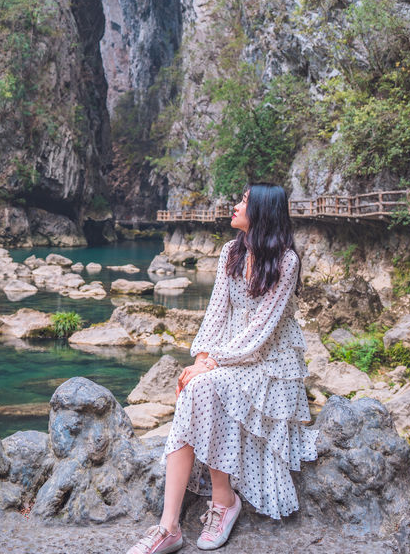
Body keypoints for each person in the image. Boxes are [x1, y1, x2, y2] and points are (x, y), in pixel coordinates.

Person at [126, 182, 318, 554]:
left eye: (243, 202)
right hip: (229, 356)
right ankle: (169, 525)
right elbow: (216, 314)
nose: (234, 206)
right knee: (196, 385)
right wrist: (201, 359)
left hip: (269, 366)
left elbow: (261, 333)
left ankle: (224, 502)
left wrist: (213, 363)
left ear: (262, 211)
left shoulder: (286, 261)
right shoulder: (231, 251)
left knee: (208, 385)